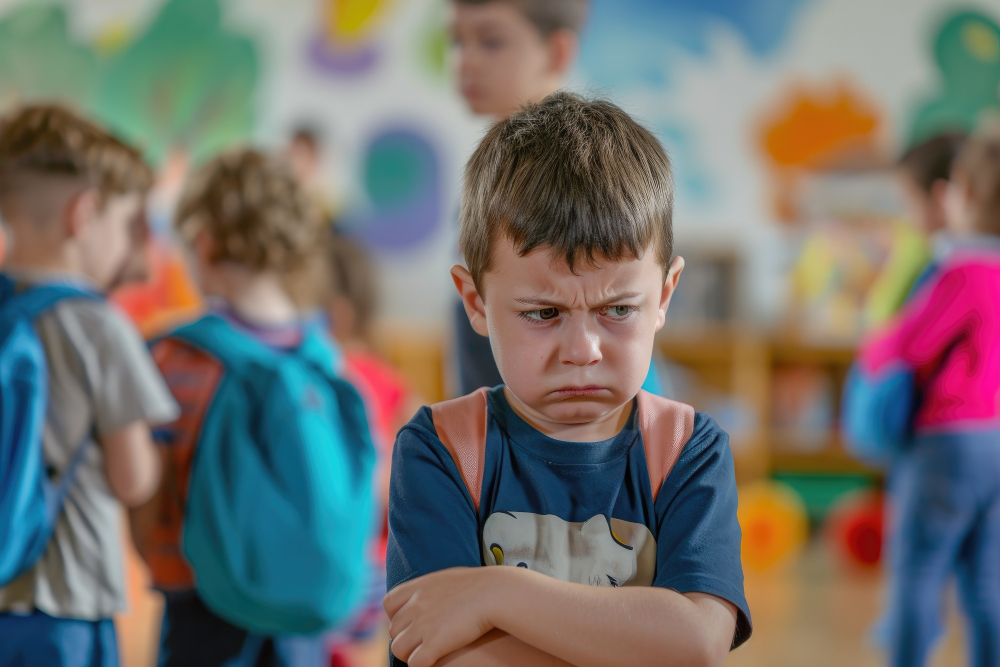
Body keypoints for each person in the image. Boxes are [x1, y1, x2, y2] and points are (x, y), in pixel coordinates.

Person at [385, 92, 751, 667]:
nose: (582, 351)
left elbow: (697, 642)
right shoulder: (441, 450)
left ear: (664, 296)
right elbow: (442, 654)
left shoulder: (688, 449)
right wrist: (636, 639)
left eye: (619, 310)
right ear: (475, 301)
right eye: (542, 314)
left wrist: (497, 594)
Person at [130, 150, 375, 667]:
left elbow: (147, 497)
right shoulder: (327, 360)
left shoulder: (175, 358)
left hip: (203, 607)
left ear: (204, 243)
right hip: (305, 619)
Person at [0, 104, 179, 666]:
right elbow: (132, 479)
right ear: (84, 215)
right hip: (68, 604)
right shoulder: (99, 326)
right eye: (128, 223)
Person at [852, 131, 1000, 667]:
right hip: (995, 438)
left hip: (947, 442)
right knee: (986, 582)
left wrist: (873, 344)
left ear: (963, 194)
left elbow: (909, 344)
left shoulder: (965, 270)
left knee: (917, 574)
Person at [324, 232, 424, 666]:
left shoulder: (326, 376)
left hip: (345, 562)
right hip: (388, 573)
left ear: (335, 315)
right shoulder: (396, 385)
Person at [864, 133, 966, 327]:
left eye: (909, 202)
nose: (907, 216)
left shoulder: (932, 257)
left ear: (940, 197)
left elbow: (881, 316)